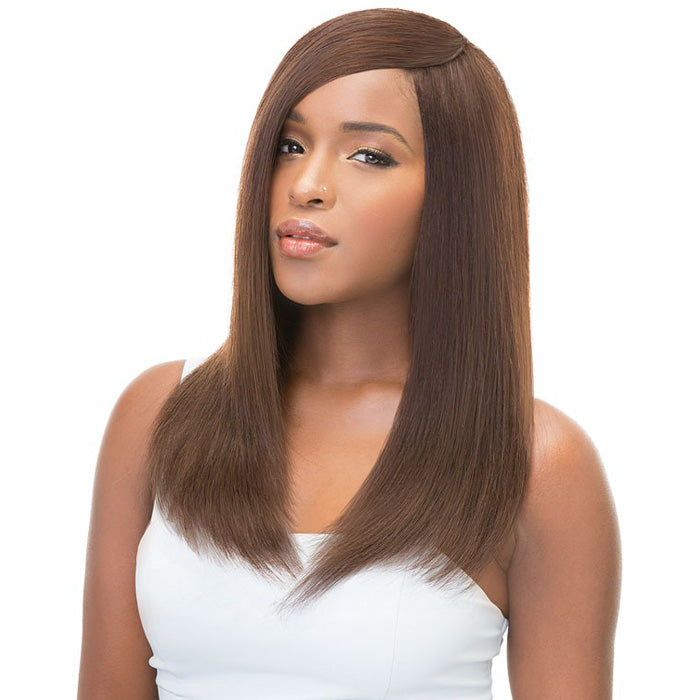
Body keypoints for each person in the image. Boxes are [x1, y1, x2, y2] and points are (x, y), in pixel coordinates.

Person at [77, 8, 621, 699]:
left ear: (456, 195)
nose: (306, 185)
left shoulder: (535, 462)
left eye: (369, 155)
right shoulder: (158, 414)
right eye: (290, 144)